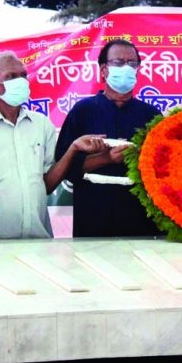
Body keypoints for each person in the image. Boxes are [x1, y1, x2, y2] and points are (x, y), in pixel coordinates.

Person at [0, 51, 107, 240]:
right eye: (10, 77)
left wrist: (73, 149)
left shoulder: (41, 124)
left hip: (37, 241)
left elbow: (45, 185)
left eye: (23, 76)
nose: (20, 81)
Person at [55, 39, 162, 237]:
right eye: (119, 62)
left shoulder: (152, 116)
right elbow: (65, 170)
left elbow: (164, 169)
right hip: (93, 218)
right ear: (103, 70)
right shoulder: (83, 111)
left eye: (132, 64)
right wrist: (104, 158)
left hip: (140, 221)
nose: (126, 68)